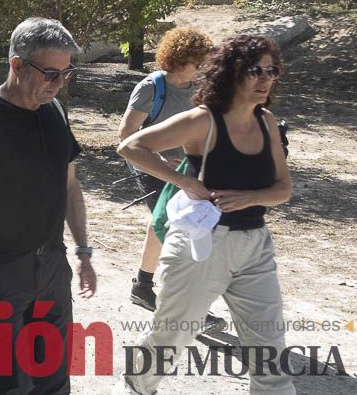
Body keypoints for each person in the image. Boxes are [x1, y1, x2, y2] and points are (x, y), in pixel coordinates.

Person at [118, 35, 293, 395]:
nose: (264, 78)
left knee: (270, 351)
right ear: (231, 73)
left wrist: (250, 198)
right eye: (254, 70)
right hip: (202, 245)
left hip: (255, 245)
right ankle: (137, 384)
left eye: (270, 71)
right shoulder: (204, 120)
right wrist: (183, 180)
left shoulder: (268, 122)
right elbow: (131, 145)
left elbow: (282, 189)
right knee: (172, 338)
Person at [0, 17, 96, 395]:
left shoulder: (55, 112)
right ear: (17, 65)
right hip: (1, 267)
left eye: (66, 73)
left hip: (53, 266)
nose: (58, 84)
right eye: (50, 73)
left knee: (54, 380)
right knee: (10, 382)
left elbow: (71, 187)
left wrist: (83, 252)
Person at [117, 28, 213, 311]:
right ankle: (184, 300)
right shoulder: (151, 88)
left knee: (163, 222)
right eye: (198, 63)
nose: (202, 69)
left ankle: (142, 287)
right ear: (181, 60)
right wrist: (160, 159)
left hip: (187, 165)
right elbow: (127, 135)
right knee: (176, 224)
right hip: (149, 163)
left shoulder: (199, 88)